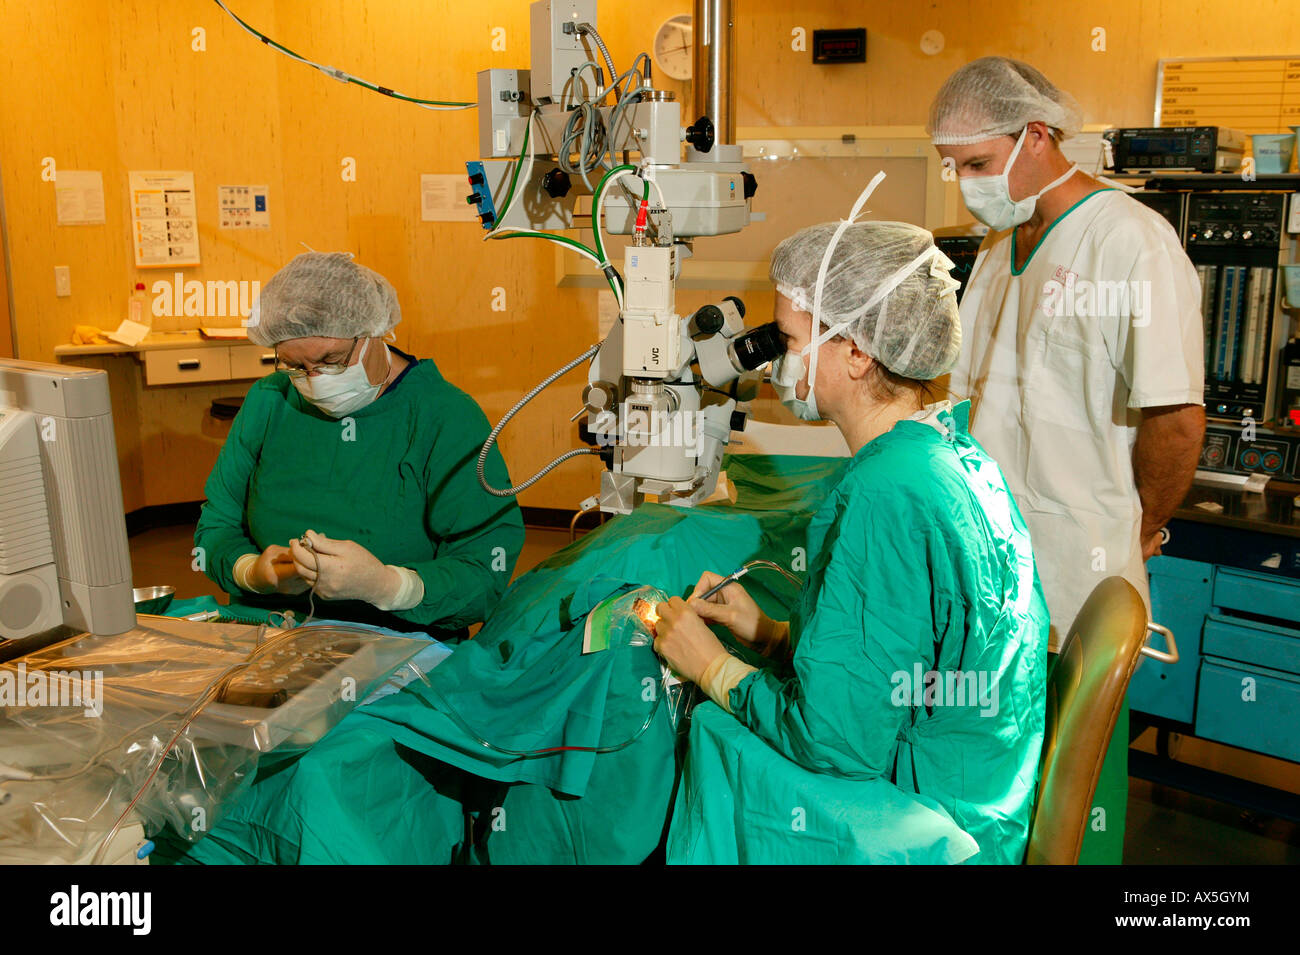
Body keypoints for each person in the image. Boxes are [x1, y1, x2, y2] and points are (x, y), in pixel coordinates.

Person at [653, 201, 1050, 864]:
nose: (776, 360)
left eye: (788, 337)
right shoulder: (953, 453)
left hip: (932, 822)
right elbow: (911, 665)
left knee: (718, 733)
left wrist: (711, 664)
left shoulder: (884, 492)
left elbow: (835, 740)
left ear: (859, 353)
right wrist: (771, 635)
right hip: (989, 794)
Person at [928, 57, 1206, 861]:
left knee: (1070, 801)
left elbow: (1176, 417)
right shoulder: (998, 246)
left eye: (978, 164)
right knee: (997, 795)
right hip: (991, 573)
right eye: (955, 167)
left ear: (1039, 135)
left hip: (1075, 574)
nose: (965, 184)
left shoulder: (1130, 242)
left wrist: (1142, 524)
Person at [194, 252, 525, 639]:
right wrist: (252, 571)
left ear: (372, 332)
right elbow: (216, 527)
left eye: (331, 360)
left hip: (397, 643)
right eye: (295, 366)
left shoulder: (444, 415)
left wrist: (389, 586)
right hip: (269, 634)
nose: (315, 381)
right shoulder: (269, 401)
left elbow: (486, 569)